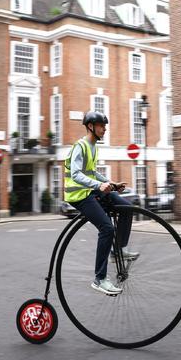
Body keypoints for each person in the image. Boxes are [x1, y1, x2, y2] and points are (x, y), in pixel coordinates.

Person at [64, 111, 138, 296]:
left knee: (127, 208)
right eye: (101, 125)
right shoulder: (80, 146)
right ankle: (99, 279)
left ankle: (118, 249)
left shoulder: (93, 147)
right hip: (79, 195)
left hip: (91, 190)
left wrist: (111, 184)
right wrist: (99, 185)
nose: (104, 129)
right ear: (90, 126)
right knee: (106, 228)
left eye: (104, 126)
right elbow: (75, 174)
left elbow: (92, 173)